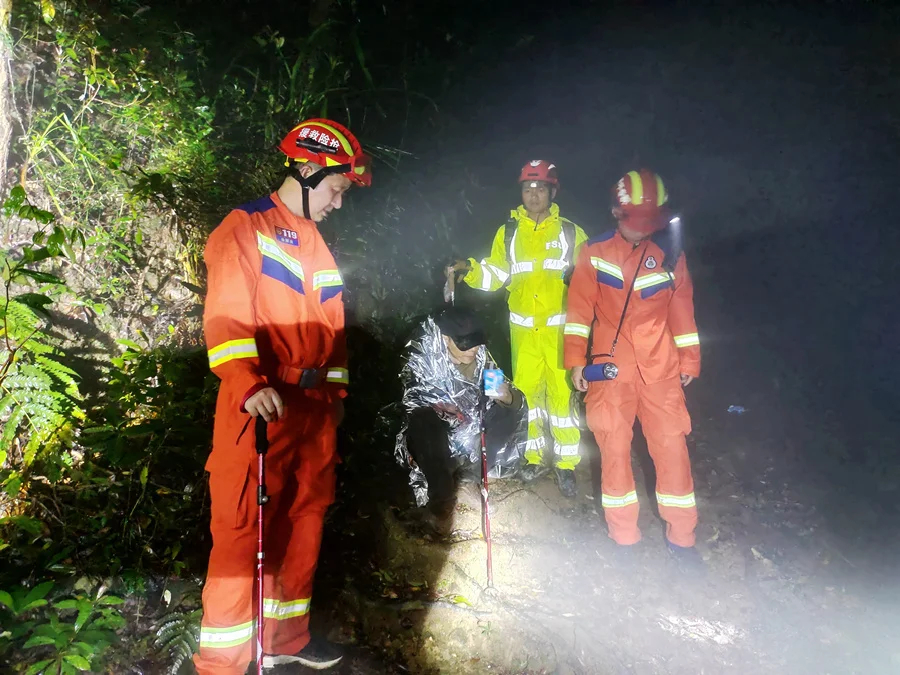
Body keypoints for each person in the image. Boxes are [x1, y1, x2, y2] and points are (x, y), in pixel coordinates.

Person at [195, 118, 371, 674]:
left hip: (313, 414)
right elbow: (226, 317)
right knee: (242, 532)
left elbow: (334, 329)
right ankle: (224, 664)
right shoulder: (244, 227)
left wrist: (335, 395)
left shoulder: (316, 241)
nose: (338, 203)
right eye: (336, 189)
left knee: (304, 523)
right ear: (308, 170)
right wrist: (247, 382)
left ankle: (284, 640)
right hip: (262, 408)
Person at [564, 169, 702, 565]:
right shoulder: (593, 251)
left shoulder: (670, 254)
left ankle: (682, 540)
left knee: (672, 450)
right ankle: (623, 538)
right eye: (636, 222)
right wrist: (575, 361)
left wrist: (690, 359)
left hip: (661, 369)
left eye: (649, 222)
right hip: (610, 369)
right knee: (614, 450)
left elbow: (682, 309)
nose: (642, 230)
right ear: (615, 212)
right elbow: (579, 312)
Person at [447, 161, 588, 498]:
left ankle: (566, 464)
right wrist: (470, 270)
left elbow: (588, 280)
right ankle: (533, 457)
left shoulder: (571, 233)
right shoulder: (508, 233)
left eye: (540, 188)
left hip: (559, 335)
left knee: (562, 398)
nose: (533, 194)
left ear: (553, 191)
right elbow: (496, 274)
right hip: (523, 334)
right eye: (527, 188)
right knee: (527, 396)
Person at [395, 307, 527, 534]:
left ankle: (468, 480)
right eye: (466, 343)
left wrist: (506, 396)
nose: (474, 349)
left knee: (506, 412)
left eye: (476, 342)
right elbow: (411, 401)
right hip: (437, 435)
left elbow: (513, 400)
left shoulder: (482, 358)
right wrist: (441, 408)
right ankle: (442, 498)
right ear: (446, 338)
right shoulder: (421, 355)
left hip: (471, 431)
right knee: (423, 421)